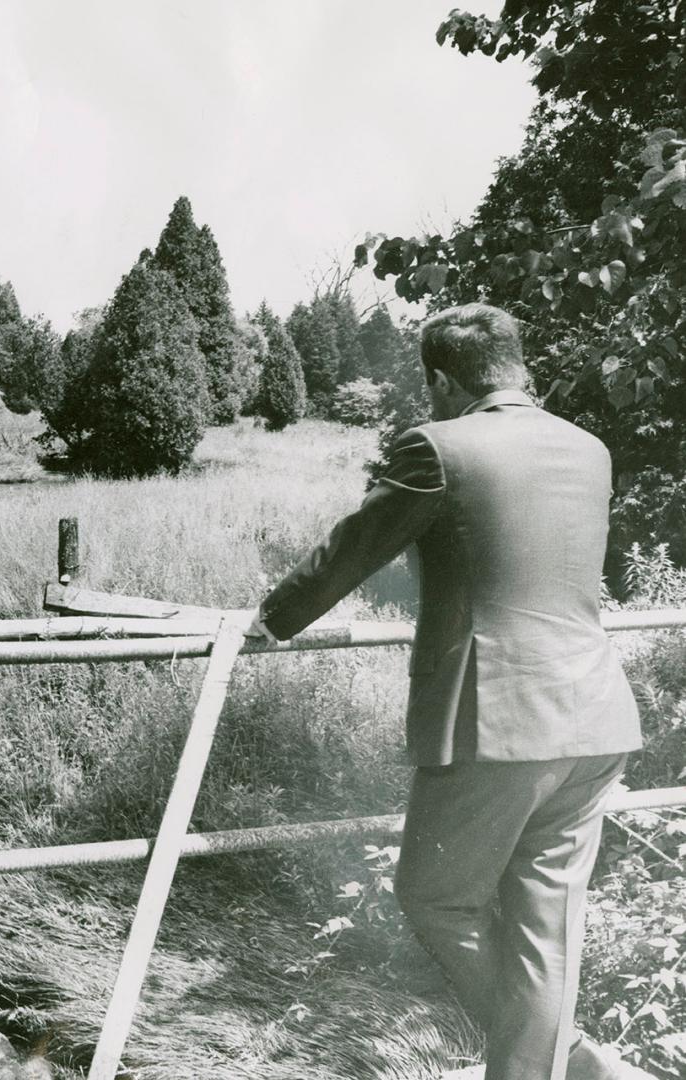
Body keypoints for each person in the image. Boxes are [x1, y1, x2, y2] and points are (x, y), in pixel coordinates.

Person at [246, 303, 653, 1080]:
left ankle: (558, 1051)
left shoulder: (439, 446)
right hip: (595, 718)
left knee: (435, 896)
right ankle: (552, 1058)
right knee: (545, 931)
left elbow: (356, 545)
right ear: (516, 363)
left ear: (440, 379)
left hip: (499, 722)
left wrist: (273, 618)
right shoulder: (589, 449)